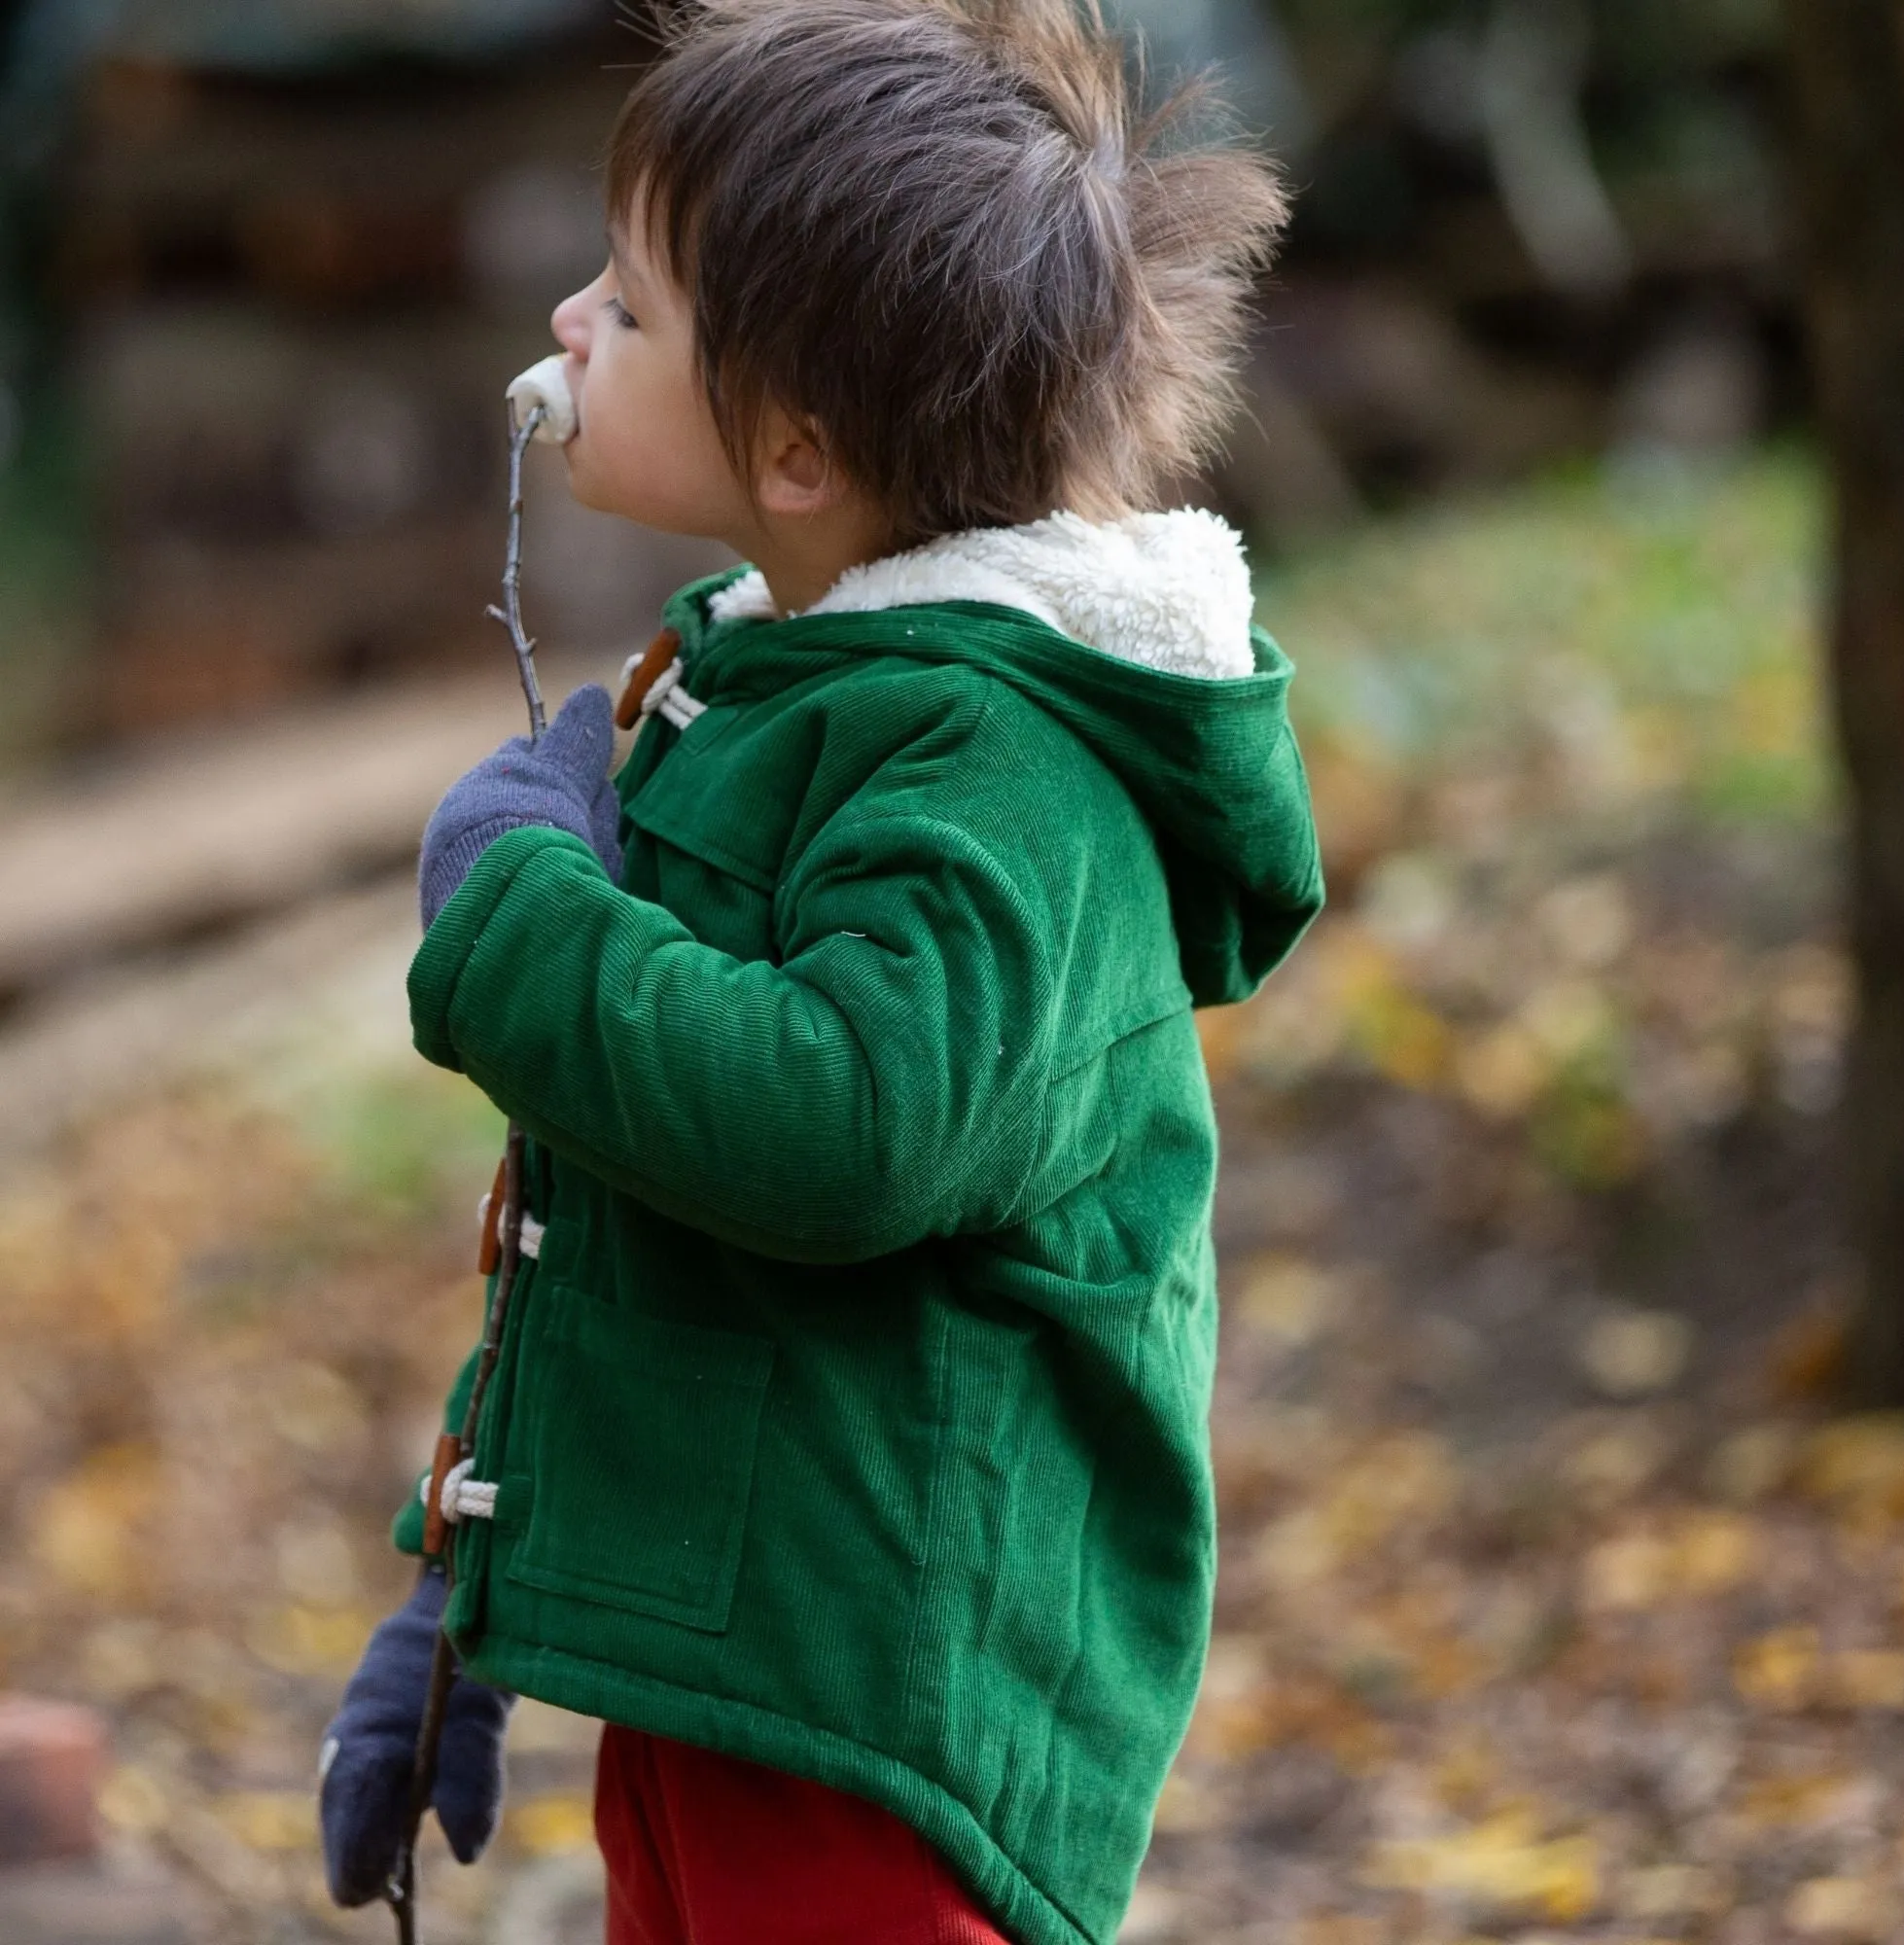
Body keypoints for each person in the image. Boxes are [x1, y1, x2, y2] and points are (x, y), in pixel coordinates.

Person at [316, 3, 1323, 1940]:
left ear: (795, 443)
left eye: (630, 302)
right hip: (733, 1642)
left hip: (877, 1688)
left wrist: (523, 910)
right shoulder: (776, 689)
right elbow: (633, 1198)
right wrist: (462, 1570)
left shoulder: (1000, 771)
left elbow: (838, 1122)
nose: (569, 325)